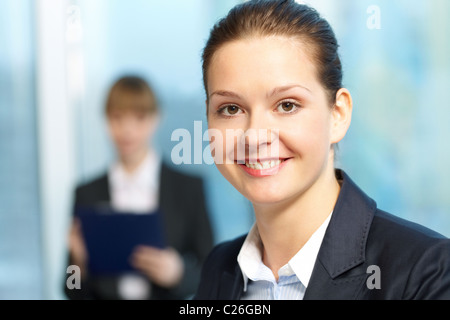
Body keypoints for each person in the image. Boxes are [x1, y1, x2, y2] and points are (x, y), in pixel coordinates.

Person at [194, 0, 450, 300]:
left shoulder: (426, 272)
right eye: (231, 108)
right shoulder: (219, 269)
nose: (254, 136)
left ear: (338, 114)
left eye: (287, 105)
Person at [64, 75, 213, 300]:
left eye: (139, 117)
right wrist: (78, 264)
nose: (127, 129)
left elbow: (211, 272)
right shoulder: (86, 193)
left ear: (156, 118)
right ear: (106, 120)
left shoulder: (188, 189)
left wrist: (178, 273)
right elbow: (69, 287)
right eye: (117, 117)